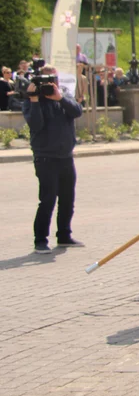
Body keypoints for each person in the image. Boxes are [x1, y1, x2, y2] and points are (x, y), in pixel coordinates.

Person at [23, 65, 83, 254]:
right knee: (47, 200)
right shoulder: (34, 101)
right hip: (46, 158)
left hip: (66, 157)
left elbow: (77, 111)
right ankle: (40, 240)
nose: (50, 84)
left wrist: (60, 98)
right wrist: (33, 99)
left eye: (53, 80)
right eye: (45, 81)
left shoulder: (62, 97)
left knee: (67, 199)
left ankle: (64, 235)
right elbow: (36, 124)